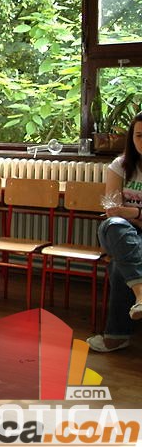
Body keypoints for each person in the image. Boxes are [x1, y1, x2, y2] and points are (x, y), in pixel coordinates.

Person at [87, 112, 142, 352]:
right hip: (121, 232)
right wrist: (130, 216)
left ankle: (117, 336)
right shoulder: (120, 166)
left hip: (128, 238)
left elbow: (122, 210)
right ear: (132, 138)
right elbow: (113, 212)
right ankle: (141, 293)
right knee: (114, 226)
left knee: (121, 262)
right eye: (139, 136)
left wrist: (134, 213)